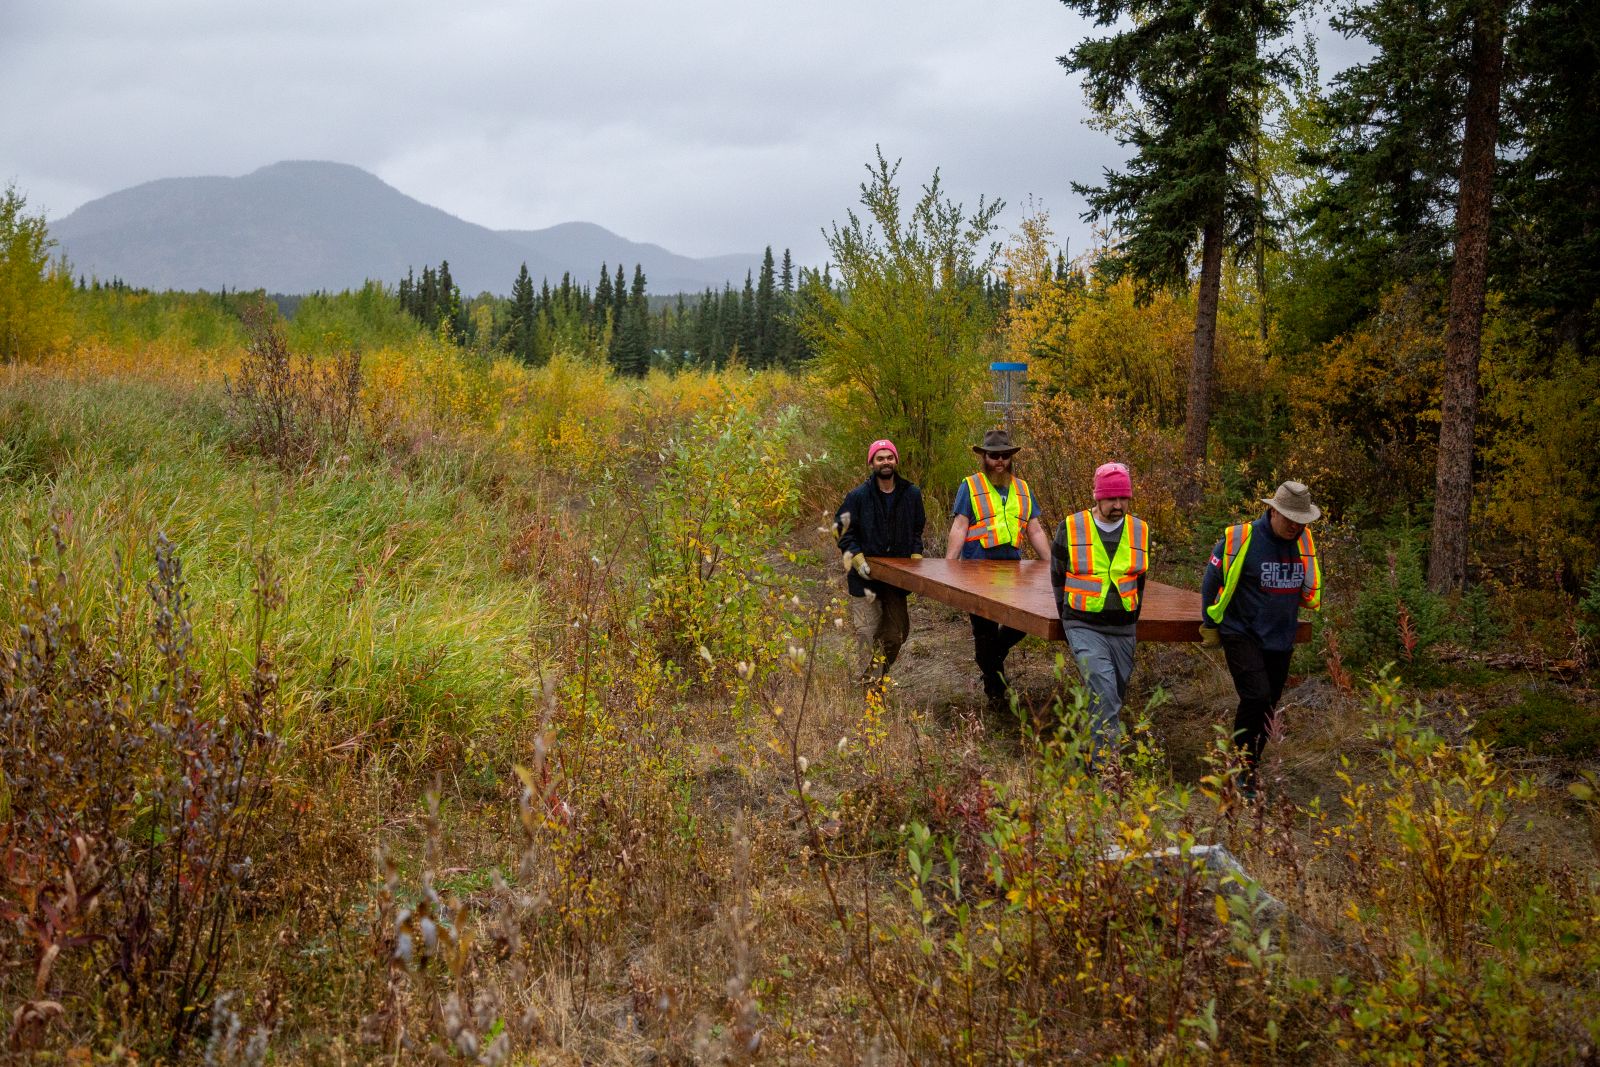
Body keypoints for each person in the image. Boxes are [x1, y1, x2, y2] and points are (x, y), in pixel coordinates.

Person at [1199, 480, 1324, 795]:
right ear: (1272, 510)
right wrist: (1210, 622)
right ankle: (1240, 769)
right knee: (1256, 695)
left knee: (1268, 705)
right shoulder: (1241, 539)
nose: (1295, 526)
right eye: (1289, 518)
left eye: (1301, 521)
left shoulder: (1303, 542)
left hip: (1281, 637)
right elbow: (1210, 583)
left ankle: (1249, 766)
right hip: (1241, 632)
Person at [945, 428, 1053, 711]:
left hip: (1013, 571)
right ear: (984, 457)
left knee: (1020, 624)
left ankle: (995, 659)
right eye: (994, 456)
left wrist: (1052, 565)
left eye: (1005, 455)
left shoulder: (1023, 488)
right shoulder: (970, 486)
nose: (1000, 461)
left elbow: (1035, 529)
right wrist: (948, 567)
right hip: (976, 570)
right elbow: (960, 526)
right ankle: (996, 692)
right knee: (984, 631)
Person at [1050, 462, 1149, 758]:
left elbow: (1140, 580)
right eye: (1111, 498)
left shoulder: (1140, 530)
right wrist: (1066, 616)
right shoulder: (1070, 527)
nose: (1118, 505)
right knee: (1105, 693)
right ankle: (1106, 771)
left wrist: (1132, 616)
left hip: (1123, 629)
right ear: (1097, 497)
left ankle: (1088, 748)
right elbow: (1057, 575)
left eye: (1124, 498)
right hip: (1083, 625)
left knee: (1111, 695)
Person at [835, 438, 926, 683]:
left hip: (896, 578)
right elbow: (841, 529)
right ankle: (870, 688)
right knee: (867, 633)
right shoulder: (857, 496)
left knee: (896, 634)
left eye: (889, 457)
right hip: (864, 578)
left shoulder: (912, 494)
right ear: (872, 463)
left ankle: (877, 676)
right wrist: (856, 557)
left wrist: (915, 558)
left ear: (896, 460)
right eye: (880, 458)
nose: (885, 462)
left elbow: (917, 530)